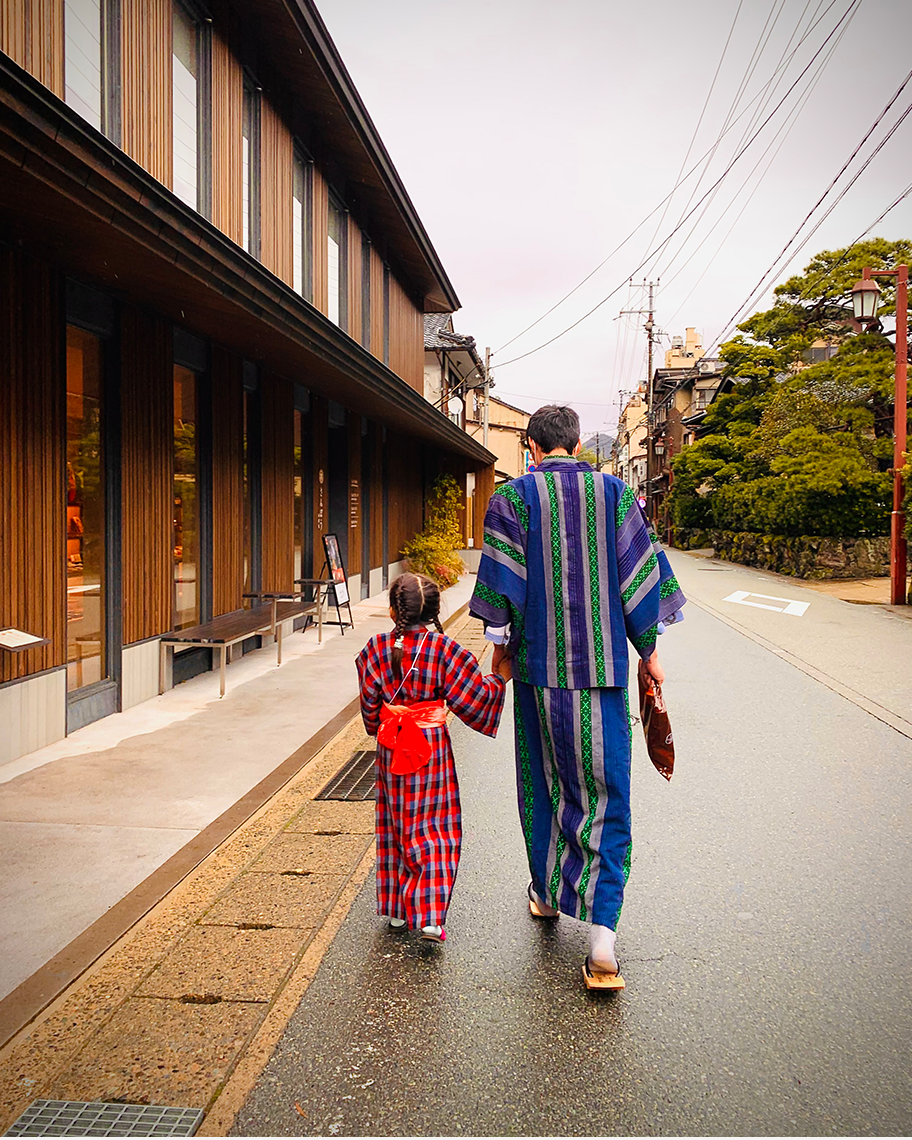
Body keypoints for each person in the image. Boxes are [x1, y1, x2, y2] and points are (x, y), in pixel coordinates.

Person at [469, 405, 686, 989]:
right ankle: (602, 948)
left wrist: (501, 659)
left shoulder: (511, 501)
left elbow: (501, 593)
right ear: (575, 446)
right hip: (606, 674)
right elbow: (638, 579)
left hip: (540, 674)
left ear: (534, 449)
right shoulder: (617, 496)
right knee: (605, 794)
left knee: (544, 784)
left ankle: (545, 893)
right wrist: (651, 654)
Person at [356, 572, 510, 943]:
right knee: (435, 828)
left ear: (394, 612)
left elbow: (370, 712)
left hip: (392, 746)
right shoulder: (444, 650)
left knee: (396, 824)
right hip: (430, 748)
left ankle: (395, 911)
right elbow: (475, 697)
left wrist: (384, 721)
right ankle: (427, 917)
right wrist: (500, 678)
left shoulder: (375, 649)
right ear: (435, 611)